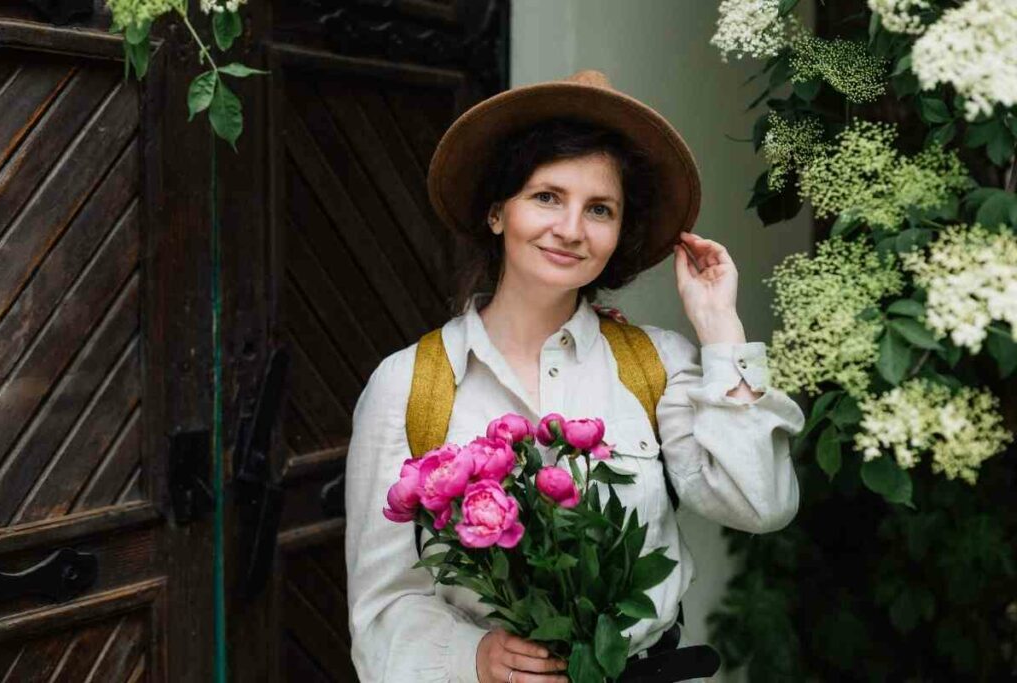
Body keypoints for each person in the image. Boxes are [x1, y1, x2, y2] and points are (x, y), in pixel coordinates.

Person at [344, 69, 806, 682]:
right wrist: (472, 657)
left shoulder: (656, 364)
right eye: (546, 197)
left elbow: (761, 504)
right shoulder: (410, 385)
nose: (570, 229)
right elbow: (381, 606)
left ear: (618, 233)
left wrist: (721, 328)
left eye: (599, 209)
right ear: (497, 212)